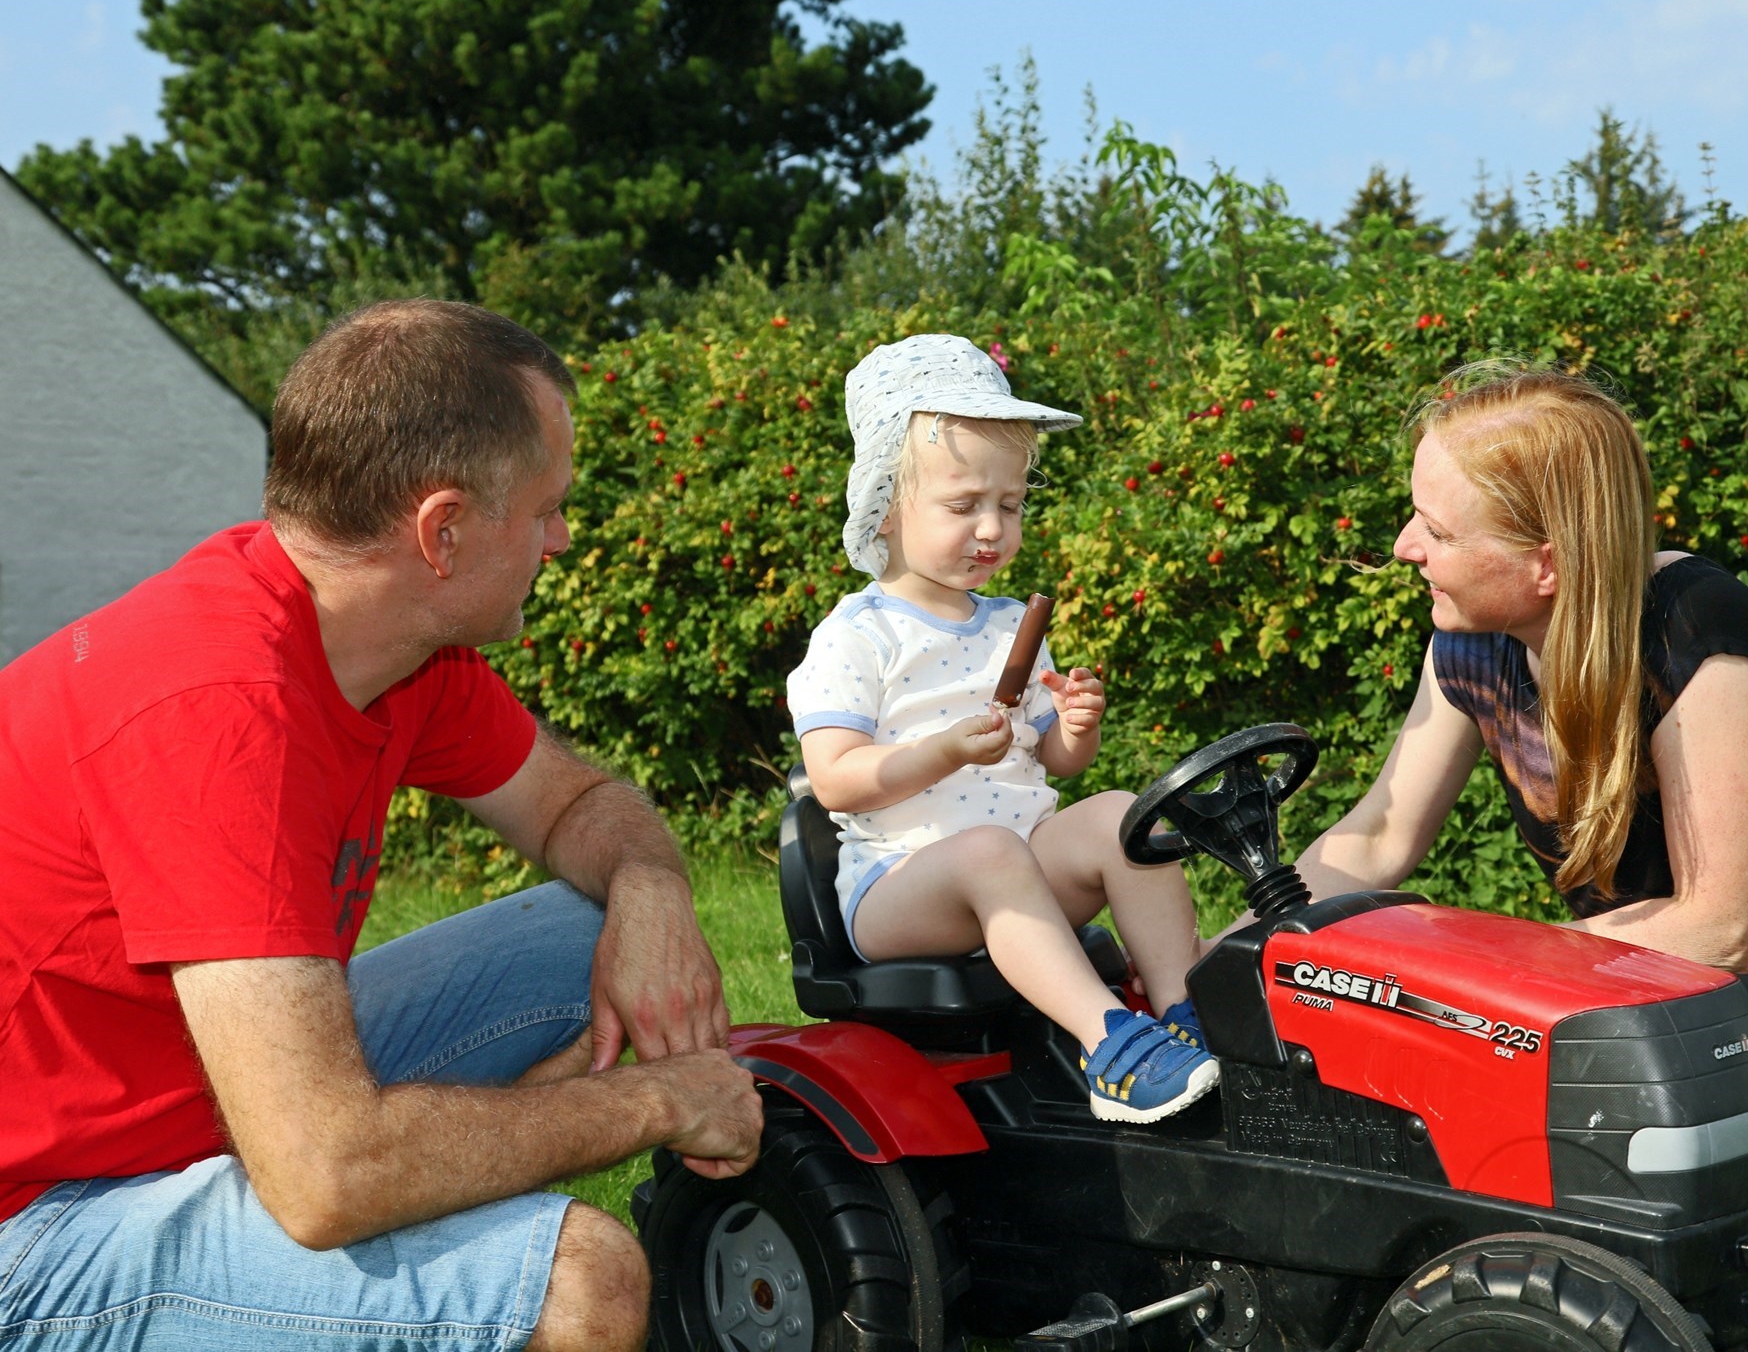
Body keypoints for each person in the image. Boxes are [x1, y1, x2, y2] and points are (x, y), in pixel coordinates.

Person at [0, 299, 764, 1352]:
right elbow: (326, 1177)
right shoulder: (216, 712)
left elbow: (579, 803)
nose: (563, 537)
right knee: (578, 1282)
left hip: (194, 1094)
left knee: (583, 929)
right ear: (441, 531)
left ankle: (443, 1165)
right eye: (547, 507)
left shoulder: (389, 645)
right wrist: (657, 1104)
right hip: (37, 1217)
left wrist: (653, 891)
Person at [1291, 358, 1748, 1168]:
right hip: (1650, 1002)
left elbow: (1719, 932)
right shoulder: (1470, 644)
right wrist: (1241, 956)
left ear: (1546, 562)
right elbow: (1375, 841)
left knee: (1549, 1062)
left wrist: (1483, 991)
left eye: (1436, 532)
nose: (1405, 548)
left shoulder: (1694, 640)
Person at [786, 333, 1218, 1123]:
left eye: (1009, 505)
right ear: (883, 509)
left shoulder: (1013, 626)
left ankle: (1180, 1013)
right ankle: (1109, 1046)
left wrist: (1077, 726)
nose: (992, 529)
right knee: (989, 853)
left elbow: (1053, 760)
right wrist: (943, 752)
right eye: (963, 506)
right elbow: (836, 778)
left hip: (1016, 861)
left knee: (1122, 815)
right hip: (899, 887)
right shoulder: (859, 634)